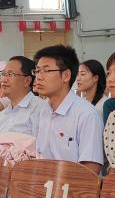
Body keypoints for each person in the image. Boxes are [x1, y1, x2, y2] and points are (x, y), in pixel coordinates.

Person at [30, 45, 104, 173]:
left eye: (45, 71)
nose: (38, 77)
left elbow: (91, 169)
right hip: (43, 181)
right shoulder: (41, 112)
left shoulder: (87, 114)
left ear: (66, 75)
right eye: (37, 71)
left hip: (70, 184)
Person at [0, 56, 45, 143]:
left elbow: (42, 148)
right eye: (3, 74)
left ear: (27, 81)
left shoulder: (40, 109)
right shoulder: (3, 113)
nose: (4, 80)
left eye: (10, 74)